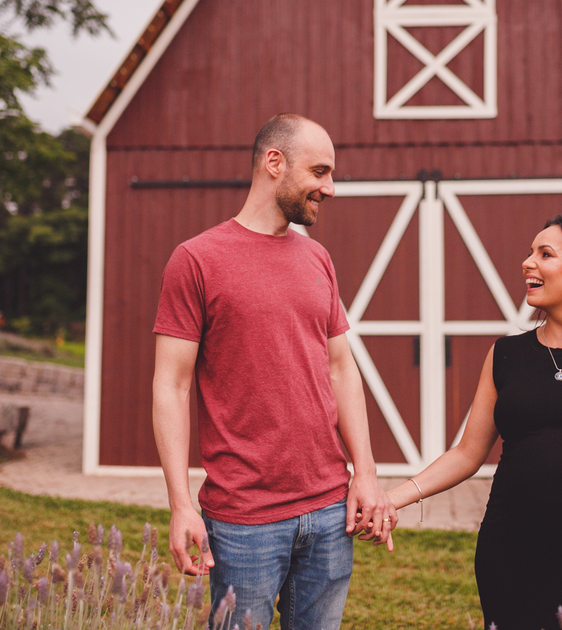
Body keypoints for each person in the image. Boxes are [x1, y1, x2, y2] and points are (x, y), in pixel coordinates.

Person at [153, 113, 398, 630]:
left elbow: (341, 369)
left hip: (331, 512)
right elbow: (171, 386)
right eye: (320, 172)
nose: (329, 188)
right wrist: (180, 504)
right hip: (244, 519)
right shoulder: (196, 260)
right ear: (274, 162)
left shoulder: (318, 259)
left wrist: (367, 475)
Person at [386, 216, 562, 630]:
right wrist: (392, 499)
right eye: (529, 252)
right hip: (511, 549)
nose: (527, 263)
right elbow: (467, 453)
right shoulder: (505, 354)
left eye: (544, 254)